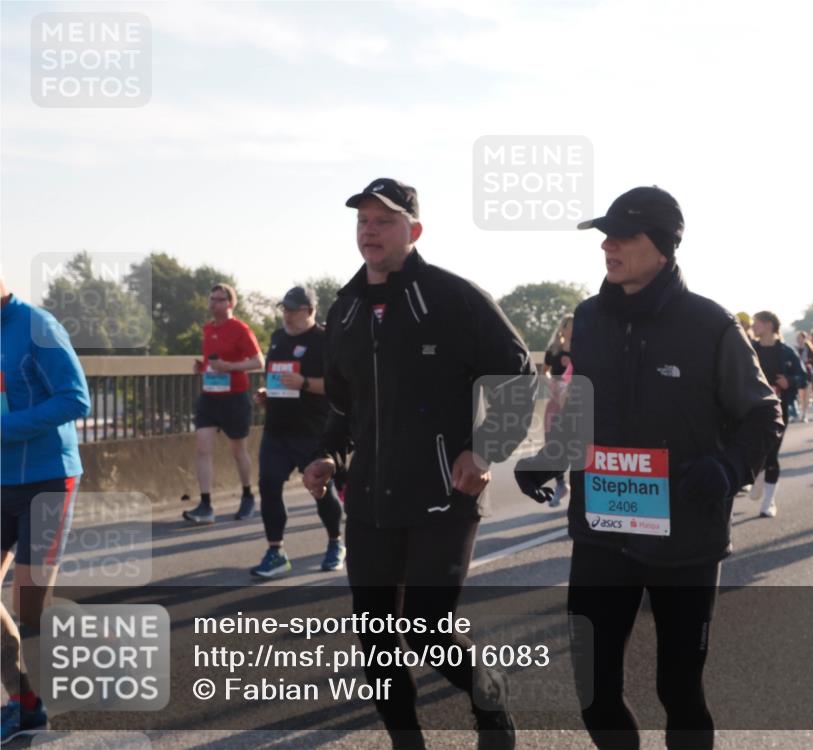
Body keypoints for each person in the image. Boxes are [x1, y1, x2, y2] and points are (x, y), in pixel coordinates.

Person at [514, 186, 783, 750]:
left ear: (661, 247)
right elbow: (582, 410)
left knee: (678, 688)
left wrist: (729, 469)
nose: (606, 245)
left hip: (685, 537)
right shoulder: (586, 319)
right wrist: (551, 458)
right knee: (593, 689)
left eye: (621, 235)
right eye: (603, 235)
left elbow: (763, 414)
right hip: (602, 533)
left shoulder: (710, 325)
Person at [301, 178, 536, 750]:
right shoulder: (347, 309)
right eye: (363, 221)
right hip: (373, 498)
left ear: (415, 230)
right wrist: (326, 455)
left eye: (384, 220)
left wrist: (483, 450)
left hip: (444, 494)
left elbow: (518, 375)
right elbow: (343, 404)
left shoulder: (454, 298)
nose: (370, 230)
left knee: (429, 629)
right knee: (375, 634)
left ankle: (489, 699)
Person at [1, 279, 91, 742]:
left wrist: (6, 426)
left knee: (29, 607)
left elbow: (76, 398)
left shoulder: (37, 325)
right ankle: (24, 702)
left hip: (47, 479)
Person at [250, 286, 344, 577]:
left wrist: (304, 382)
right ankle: (275, 551)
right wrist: (268, 394)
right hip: (277, 430)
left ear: (311, 311)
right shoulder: (277, 338)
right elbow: (279, 380)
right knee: (268, 486)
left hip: (312, 431)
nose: (287, 315)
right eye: (285, 309)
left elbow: (339, 386)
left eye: (294, 310)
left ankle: (335, 543)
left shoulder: (325, 340)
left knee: (319, 489)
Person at [183, 283, 264, 525]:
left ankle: (248, 495)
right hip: (210, 396)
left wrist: (230, 367)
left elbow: (257, 361)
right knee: (202, 447)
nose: (213, 304)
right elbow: (214, 362)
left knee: (238, 449)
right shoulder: (208, 329)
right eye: (211, 299)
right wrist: (204, 368)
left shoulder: (240, 329)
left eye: (218, 299)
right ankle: (206, 505)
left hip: (234, 397)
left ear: (229, 303)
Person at [750, 313, 807, 517]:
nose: (753, 326)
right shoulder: (750, 349)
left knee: (772, 453)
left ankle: (768, 502)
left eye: (756, 323)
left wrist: (789, 382)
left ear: (768, 325)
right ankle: (757, 472)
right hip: (753, 409)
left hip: (779, 410)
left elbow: (803, 377)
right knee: (756, 451)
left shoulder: (786, 351)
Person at [543, 314, 573, 507]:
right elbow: (544, 370)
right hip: (555, 401)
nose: (571, 329)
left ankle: (580, 488)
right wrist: (551, 382)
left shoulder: (583, 349)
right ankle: (561, 485)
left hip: (575, 403)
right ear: (562, 329)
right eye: (568, 325)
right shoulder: (553, 350)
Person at [794, 331, 813, 423]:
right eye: (798, 338)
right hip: (798, 375)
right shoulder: (794, 350)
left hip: (808, 374)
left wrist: (808, 362)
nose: (799, 340)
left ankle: (804, 414)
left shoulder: (809, 349)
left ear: (804, 339)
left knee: (806, 396)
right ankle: (799, 412)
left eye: (801, 338)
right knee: (800, 396)